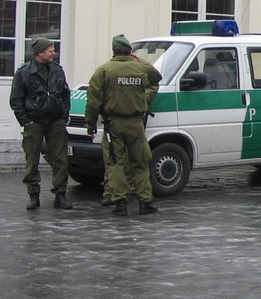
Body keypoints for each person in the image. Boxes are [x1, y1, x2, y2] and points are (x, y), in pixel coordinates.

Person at [85, 34, 162, 216]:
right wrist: (137, 59)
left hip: (114, 126)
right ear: (130, 52)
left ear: (113, 51)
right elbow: (156, 76)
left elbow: (93, 101)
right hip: (136, 124)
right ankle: (145, 202)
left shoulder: (104, 70)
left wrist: (90, 125)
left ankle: (120, 203)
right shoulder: (139, 68)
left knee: (115, 163)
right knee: (141, 163)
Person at [9, 36, 73, 210]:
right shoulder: (24, 73)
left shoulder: (58, 70)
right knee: (32, 160)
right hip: (34, 122)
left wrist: (63, 115)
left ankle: (60, 195)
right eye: (50, 50)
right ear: (39, 53)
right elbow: (16, 100)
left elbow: (65, 94)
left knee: (60, 159)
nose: (54, 53)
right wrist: (26, 122)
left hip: (55, 121)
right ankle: (33, 195)